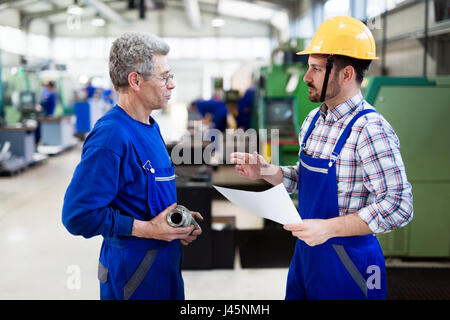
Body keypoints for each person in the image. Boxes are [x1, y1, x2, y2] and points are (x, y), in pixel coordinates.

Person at [230, 16, 413, 300]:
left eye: (315, 69)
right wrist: (268, 171)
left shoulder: (371, 129)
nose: (306, 77)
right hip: (307, 255)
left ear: (346, 74)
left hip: (350, 263)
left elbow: (399, 205)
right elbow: (306, 177)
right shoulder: (315, 120)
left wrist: (328, 228)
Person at [62, 32, 203, 300]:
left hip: (165, 267)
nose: (171, 85)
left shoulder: (150, 126)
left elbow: (140, 194)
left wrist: (177, 221)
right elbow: (77, 215)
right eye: (164, 77)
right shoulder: (111, 136)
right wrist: (149, 229)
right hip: (133, 276)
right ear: (135, 80)